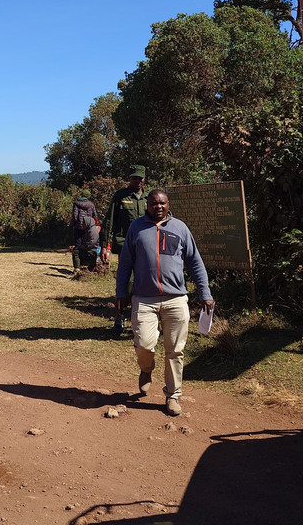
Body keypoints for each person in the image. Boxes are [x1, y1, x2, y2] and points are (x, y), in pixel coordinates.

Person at [114, 189, 214, 417]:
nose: (158, 207)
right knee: (144, 344)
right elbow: (125, 263)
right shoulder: (136, 228)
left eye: (162, 203)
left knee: (175, 350)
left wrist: (205, 293)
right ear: (147, 205)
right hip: (143, 299)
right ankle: (146, 369)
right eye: (153, 203)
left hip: (175, 298)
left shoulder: (180, 228)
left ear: (168, 204)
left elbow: (195, 262)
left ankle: (173, 395)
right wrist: (121, 293)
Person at [100, 165, 148, 265]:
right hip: (125, 244)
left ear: (144, 179)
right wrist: (104, 246)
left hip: (144, 245)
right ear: (129, 178)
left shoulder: (149, 198)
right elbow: (109, 220)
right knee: (127, 274)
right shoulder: (120, 196)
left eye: (140, 178)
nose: (138, 181)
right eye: (135, 178)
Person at [70, 194, 99, 275]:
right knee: (83, 244)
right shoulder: (91, 204)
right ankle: (83, 265)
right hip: (88, 225)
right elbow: (95, 215)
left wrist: (72, 225)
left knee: (78, 248)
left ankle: (78, 267)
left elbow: (75, 216)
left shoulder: (76, 203)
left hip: (79, 227)